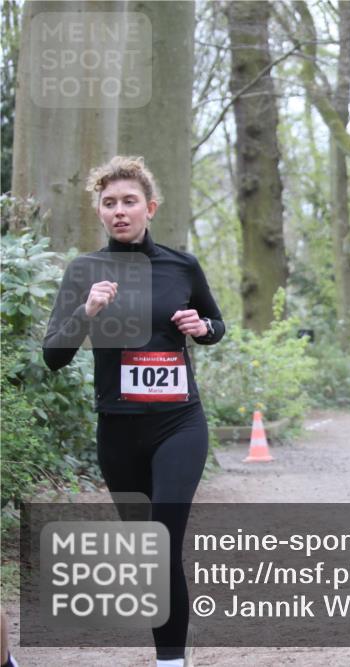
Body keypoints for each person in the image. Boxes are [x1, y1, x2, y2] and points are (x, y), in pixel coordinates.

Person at [43, 156, 225, 667]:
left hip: (178, 423)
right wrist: (88, 312)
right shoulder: (85, 271)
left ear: (150, 207)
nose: (119, 211)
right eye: (109, 203)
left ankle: (171, 663)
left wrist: (202, 328)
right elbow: (53, 356)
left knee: (163, 540)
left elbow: (215, 322)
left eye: (129, 201)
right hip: (118, 428)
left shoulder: (181, 265)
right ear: (99, 212)